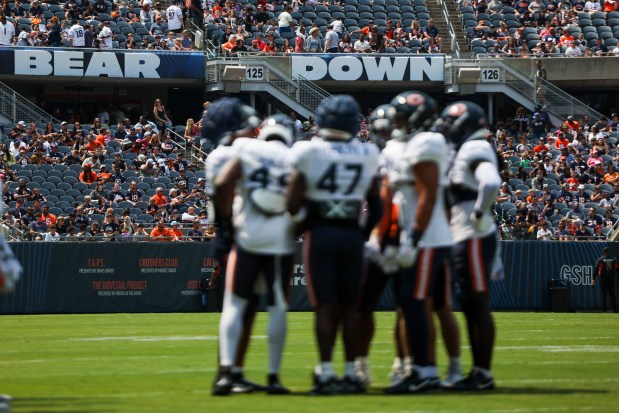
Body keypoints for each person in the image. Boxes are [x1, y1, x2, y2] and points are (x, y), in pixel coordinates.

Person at [287, 95, 381, 394]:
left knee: (325, 307)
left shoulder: (307, 150)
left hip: (321, 234)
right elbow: (377, 206)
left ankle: (327, 372)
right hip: (352, 234)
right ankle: (352, 373)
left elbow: (292, 202)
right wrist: (361, 234)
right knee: (351, 307)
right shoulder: (368, 152)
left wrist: (304, 222)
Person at [212, 115, 297, 396]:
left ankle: (226, 373)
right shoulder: (295, 156)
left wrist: (225, 224)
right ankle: (273, 376)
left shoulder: (247, 148)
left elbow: (222, 183)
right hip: (280, 240)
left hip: (248, 234)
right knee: (276, 308)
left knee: (235, 305)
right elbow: (299, 202)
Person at [382, 92, 460, 394]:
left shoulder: (428, 142)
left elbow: (427, 195)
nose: (396, 122)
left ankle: (425, 372)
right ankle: (420, 369)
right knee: (411, 305)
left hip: (426, 238)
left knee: (416, 305)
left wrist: (412, 237)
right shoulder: (406, 145)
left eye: (401, 116)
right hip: (417, 235)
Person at [204, 98, 263, 394]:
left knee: (247, 306)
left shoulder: (225, 152)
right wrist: (228, 228)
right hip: (235, 234)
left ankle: (234, 371)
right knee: (238, 305)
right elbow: (223, 194)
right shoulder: (226, 154)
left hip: (238, 232)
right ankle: (226, 372)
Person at [442, 101, 501, 391]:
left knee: (476, 305)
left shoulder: (474, 148)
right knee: (469, 303)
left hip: (472, 235)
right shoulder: (467, 148)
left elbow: (490, 183)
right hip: (467, 234)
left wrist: (478, 215)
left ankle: (483, 374)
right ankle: (479, 371)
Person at [595, 247, 618, 312]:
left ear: (604, 252)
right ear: (609, 252)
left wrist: (593, 278)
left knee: (604, 294)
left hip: (603, 279)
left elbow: (596, 269)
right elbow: (617, 268)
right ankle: (615, 310)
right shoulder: (614, 259)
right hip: (611, 279)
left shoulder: (600, 259)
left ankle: (604, 310)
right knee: (612, 295)